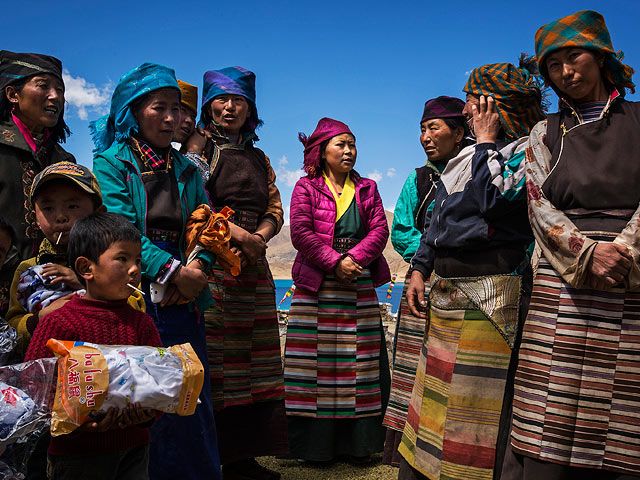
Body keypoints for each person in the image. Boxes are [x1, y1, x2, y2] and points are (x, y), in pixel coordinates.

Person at [503, 11, 640, 480]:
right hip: (563, 283)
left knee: (622, 408)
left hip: (630, 279)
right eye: (554, 65)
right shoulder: (543, 132)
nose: (566, 72)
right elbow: (538, 204)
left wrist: (624, 251)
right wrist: (586, 253)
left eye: (575, 57)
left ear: (602, 58)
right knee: (550, 407)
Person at [398, 59, 546, 480]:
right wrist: (420, 268)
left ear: (493, 104)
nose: (465, 110)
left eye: (471, 100)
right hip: (445, 293)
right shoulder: (461, 160)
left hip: (492, 291)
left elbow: (491, 200)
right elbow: (436, 223)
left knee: (476, 402)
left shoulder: (528, 148)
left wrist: (484, 142)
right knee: (437, 396)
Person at [90, 63, 221, 480]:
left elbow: (208, 223)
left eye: (176, 109)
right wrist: (171, 270)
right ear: (132, 112)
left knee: (190, 391)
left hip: (186, 292)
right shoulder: (112, 164)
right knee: (147, 394)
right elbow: (122, 229)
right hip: (136, 289)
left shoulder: (185, 169)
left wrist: (198, 267)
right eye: (158, 108)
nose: (171, 118)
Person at [184, 66, 287, 480]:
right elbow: (189, 197)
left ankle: (245, 459)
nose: (230, 108)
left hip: (254, 268)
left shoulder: (260, 158)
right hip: (212, 263)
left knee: (256, 361)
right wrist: (238, 233)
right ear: (209, 104)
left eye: (239, 100)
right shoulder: (198, 148)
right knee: (217, 362)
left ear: (251, 107)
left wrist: (260, 236)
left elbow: (274, 208)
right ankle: (213, 457)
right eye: (222, 100)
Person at [284, 117, 391, 463]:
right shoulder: (305, 187)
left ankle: (358, 447)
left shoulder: (368, 189)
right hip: (316, 285)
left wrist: (354, 259)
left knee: (357, 363)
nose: (348, 151)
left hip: (356, 284)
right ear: (322, 151)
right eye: (340, 144)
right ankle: (313, 449)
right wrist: (334, 262)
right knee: (311, 366)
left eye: (352, 144)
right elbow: (300, 232)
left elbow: (378, 231)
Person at [24, 212, 161, 480]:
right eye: (122, 259)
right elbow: (35, 387)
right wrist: (79, 422)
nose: (135, 269)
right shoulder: (59, 323)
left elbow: (159, 382)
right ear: (87, 268)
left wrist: (146, 416)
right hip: (76, 454)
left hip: (134, 447)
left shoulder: (142, 324)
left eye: (138, 260)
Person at [383, 96, 470, 466]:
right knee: (412, 367)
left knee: (458, 372)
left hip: (470, 283)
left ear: (460, 132)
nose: (425, 137)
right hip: (424, 280)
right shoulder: (418, 179)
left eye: (433, 127)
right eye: (422, 129)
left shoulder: (477, 170)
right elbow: (401, 230)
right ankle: (408, 451)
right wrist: (430, 257)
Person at [0, 51, 74, 317]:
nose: (55, 96)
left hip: (50, 293)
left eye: (60, 89)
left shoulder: (63, 160)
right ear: (12, 94)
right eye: (43, 86)